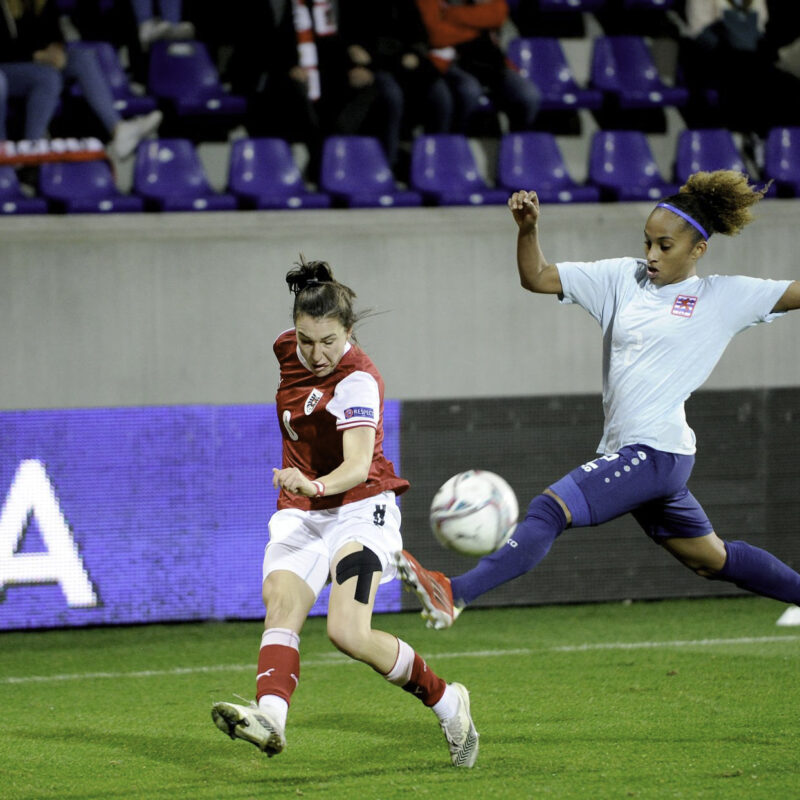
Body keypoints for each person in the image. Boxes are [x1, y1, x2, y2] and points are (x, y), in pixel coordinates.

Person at [395, 170, 800, 631]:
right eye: (647, 242)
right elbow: (538, 277)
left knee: (550, 509)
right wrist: (528, 230)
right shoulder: (621, 279)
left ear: (698, 250)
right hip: (637, 453)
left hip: (656, 451)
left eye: (665, 246)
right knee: (711, 559)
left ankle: (454, 592)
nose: (651, 254)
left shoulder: (723, 297)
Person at [211, 258, 479, 768]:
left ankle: (448, 702)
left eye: (329, 341)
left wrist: (313, 483)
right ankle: (271, 719)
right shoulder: (284, 349)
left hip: (360, 507)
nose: (316, 354)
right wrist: (306, 490)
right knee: (280, 602)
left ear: (349, 331)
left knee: (347, 633)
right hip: (302, 511)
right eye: (306, 340)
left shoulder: (359, 380)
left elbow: (356, 467)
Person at [0, 0, 161, 159]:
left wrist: (58, 50)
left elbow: (55, 34)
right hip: (9, 67)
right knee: (48, 77)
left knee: (81, 58)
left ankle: (118, 129)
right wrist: (36, 56)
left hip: (41, 63)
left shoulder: (42, 4)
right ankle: (32, 148)